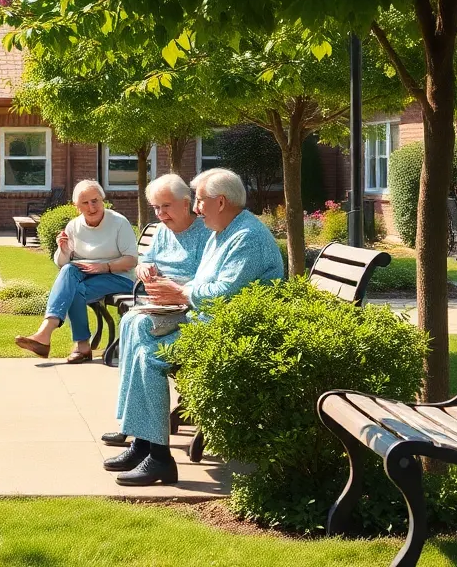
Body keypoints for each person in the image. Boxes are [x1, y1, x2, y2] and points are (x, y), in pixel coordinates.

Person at [105, 167, 284, 486]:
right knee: (139, 330)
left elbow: (224, 294)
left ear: (220, 202)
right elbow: (208, 285)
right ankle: (144, 444)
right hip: (206, 322)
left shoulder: (246, 237)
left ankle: (158, 458)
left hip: (227, 332)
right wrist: (175, 294)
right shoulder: (226, 231)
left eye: (200, 201)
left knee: (149, 356)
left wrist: (181, 293)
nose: (197, 209)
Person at [100, 174, 211, 449]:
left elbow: (207, 279)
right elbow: (146, 259)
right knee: (129, 322)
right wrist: (143, 269)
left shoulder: (206, 233)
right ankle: (131, 422)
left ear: (186, 203)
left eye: (166, 206)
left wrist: (175, 287)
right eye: (156, 208)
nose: (161, 214)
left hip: (187, 308)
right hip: (161, 305)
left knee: (137, 329)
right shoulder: (161, 231)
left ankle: (142, 432)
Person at [15, 180, 137, 364]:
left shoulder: (119, 223)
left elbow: (131, 260)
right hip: (86, 274)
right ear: (76, 207)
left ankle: (62, 340)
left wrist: (105, 267)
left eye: (95, 200)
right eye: (85, 203)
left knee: (72, 287)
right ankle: (56, 337)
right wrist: (64, 250)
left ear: (103, 200)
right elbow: (61, 263)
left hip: (119, 277)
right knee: (70, 270)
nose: (91, 207)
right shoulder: (74, 226)